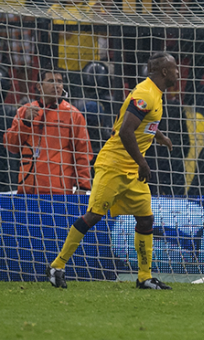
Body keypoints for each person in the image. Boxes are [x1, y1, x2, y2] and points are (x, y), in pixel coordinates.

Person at [47, 52, 177, 290]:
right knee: (94, 215)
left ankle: (144, 277)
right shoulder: (145, 93)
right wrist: (143, 163)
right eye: (175, 68)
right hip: (114, 165)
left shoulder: (154, 93)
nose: (179, 72)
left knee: (146, 219)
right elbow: (126, 132)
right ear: (165, 72)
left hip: (131, 170)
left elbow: (142, 122)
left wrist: (159, 136)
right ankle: (57, 266)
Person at [3, 69, 92, 193]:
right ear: (39, 86)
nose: (56, 85)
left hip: (58, 191)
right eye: (51, 81)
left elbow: (83, 153)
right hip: (28, 189)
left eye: (60, 81)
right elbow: (11, 146)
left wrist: (83, 186)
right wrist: (25, 123)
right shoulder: (25, 111)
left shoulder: (73, 115)